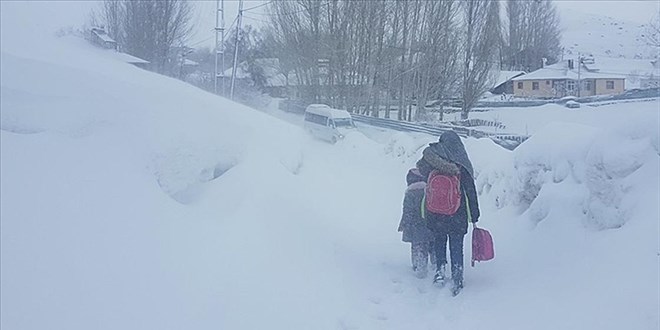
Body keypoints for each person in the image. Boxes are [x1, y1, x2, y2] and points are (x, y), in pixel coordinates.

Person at [416, 131, 480, 296]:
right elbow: (470, 191)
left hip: (435, 212)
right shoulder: (462, 164)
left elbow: (420, 168)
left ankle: (440, 271)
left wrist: (432, 156)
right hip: (457, 214)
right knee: (456, 245)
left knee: (439, 241)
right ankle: (457, 276)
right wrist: (474, 215)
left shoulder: (433, 161)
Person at [398, 168, 436, 278]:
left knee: (418, 247)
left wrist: (404, 223)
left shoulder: (410, 193)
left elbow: (407, 211)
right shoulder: (429, 190)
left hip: (416, 226)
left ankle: (419, 268)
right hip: (431, 224)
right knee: (432, 245)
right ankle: (436, 264)